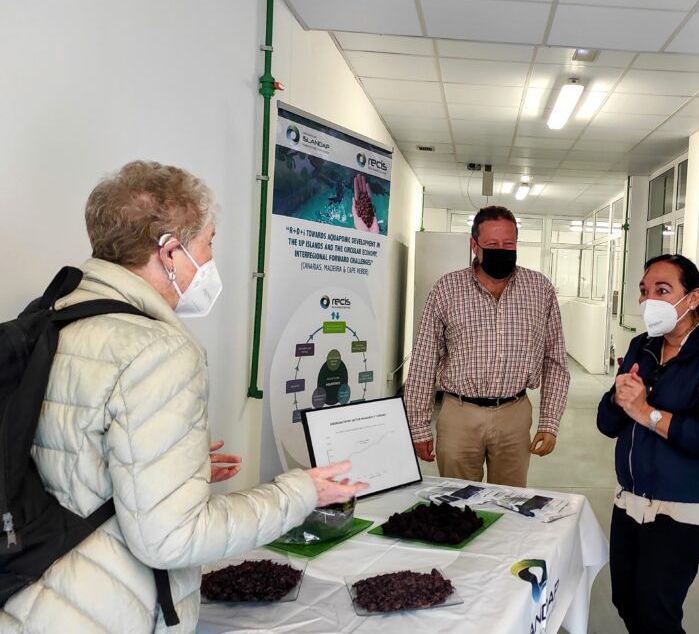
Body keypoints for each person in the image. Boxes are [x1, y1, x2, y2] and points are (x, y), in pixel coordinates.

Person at [0, 161, 368, 633]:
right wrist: (300, 492)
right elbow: (172, 538)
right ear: (170, 252)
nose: (212, 257)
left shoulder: (53, 315)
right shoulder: (158, 350)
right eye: (208, 241)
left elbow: (68, 456)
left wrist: (175, 464)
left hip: (33, 597)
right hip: (107, 609)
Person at [598, 254, 699, 634]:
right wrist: (618, 398)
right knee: (625, 599)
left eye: (663, 290)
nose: (651, 301)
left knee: (655, 610)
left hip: (686, 505)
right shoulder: (641, 346)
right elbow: (605, 423)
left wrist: (646, 412)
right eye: (645, 292)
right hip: (631, 498)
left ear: (692, 298)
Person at [404, 205, 569, 487]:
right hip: (459, 415)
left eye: (509, 244)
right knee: (458, 505)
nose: (501, 250)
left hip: (514, 415)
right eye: (492, 244)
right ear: (474, 245)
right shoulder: (447, 288)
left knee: (509, 504)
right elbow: (423, 359)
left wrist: (549, 421)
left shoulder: (540, 289)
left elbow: (555, 360)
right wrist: (418, 427)